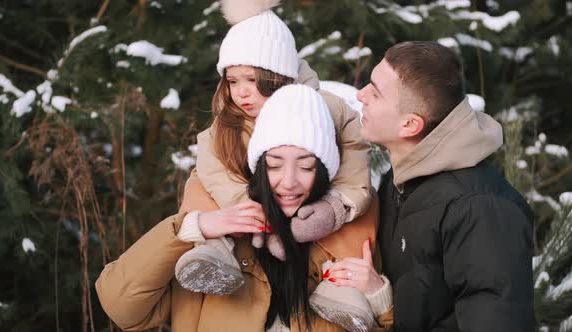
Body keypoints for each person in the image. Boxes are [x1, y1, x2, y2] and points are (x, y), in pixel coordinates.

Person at [95, 85, 393, 331]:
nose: (288, 182)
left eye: (306, 167)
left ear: (326, 172)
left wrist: (378, 297)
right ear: (259, 168)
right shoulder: (212, 248)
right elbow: (121, 306)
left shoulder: (347, 245)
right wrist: (191, 228)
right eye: (275, 165)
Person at [172, 0, 377, 330]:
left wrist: (336, 207)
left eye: (253, 81)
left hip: (313, 209)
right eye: (233, 81)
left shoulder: (328, 110)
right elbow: (214, 173)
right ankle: (214, 253)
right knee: (199, 185)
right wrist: (252, 212)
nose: (242, 94)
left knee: (364, 210)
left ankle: (341, 284)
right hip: (250, 219)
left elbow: (355, 164)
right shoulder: (228, 123)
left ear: (278, 76)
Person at [341, 40, 534, 331]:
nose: (361, 94)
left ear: (410, 125)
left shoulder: (479, 209)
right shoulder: (404, 181)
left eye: (375, 92)